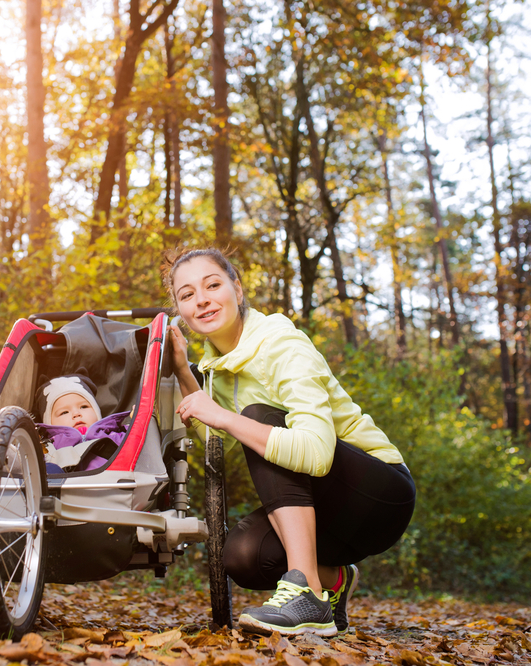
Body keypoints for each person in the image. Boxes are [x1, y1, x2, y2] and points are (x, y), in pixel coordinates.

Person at [163, 248, 416, 638]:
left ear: (238, 289)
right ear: (180, 309)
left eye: (212, 285)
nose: (202, 299)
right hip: (330, 518)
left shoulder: (282, 344)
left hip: (379, 495)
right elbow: (222, 445)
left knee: (258, 417)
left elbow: (315, 454)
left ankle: (307, 594)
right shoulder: (219, 367)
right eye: (187, 294)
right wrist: (183, 370)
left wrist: (225, 416)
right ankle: (331, 580)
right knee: (243, 557)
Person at [35, 375, 130, 473]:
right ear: (50, 423)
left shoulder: (116, 436)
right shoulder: (47, 450)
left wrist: (138, 423)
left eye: (83, 407)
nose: (76, 414)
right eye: (64, 412)